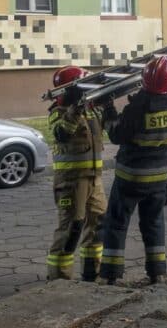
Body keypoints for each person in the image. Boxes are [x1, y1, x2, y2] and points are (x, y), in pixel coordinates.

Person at [99, 56, 167, 285]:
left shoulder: (137, 108)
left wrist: (108, 111)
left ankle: (110, 275)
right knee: (154, 223)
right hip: (159, 179)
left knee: (117, 223)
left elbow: (117, 135)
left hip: (130, 178)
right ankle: (157, 273)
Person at [46, 66, 109, 281]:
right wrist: (75, 107)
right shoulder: (58, 110)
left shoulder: (91, 108)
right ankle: (58, 279)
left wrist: (108, 105)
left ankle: (92, 273)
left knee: (99, 223)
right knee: (71, 229)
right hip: (71, 182)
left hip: (94, 178)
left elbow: (107, 128)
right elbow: (61, 133)